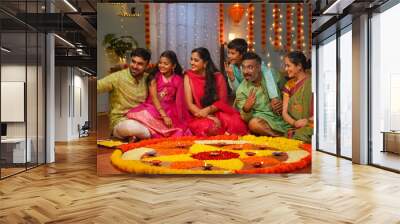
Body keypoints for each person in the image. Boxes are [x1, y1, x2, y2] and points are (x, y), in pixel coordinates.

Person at [126, 50, 192, 137]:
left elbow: (179, 101)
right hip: (154, 106)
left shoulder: (178, 80)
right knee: (146, 116)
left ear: (173, 66)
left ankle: (141, 136)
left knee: (177, 128)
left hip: (170, 109)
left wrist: (180, 117)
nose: (162, 66)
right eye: (160, 63)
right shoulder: (154, 77)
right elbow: (154, 98)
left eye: (166, 64)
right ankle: (138, 135)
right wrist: (164, 116)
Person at [184, 47, 248, 136]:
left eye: (196, 60)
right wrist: (206, 115)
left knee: (237, 124)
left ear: (205, 63)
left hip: (218, 112)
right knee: (209, 127)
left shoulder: (218, 77)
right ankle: (225, 135)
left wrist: (208, 110)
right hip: (198, 113)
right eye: (191, 59)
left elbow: (223, 101)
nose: (192, 63)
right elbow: (190, 104)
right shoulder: (188, 76)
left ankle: (226, 135)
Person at [97, 48, 152, 140]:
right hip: (122, 122)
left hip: (144, 120)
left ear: (147, 65)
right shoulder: (117, 77)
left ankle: (136, 137)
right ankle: (146, 135)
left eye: (140, 64)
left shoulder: (148, 79)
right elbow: (97, 86)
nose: (135, 66)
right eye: (133, 62)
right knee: (131, 127)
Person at [235, 52, 291, 137]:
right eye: (243, 67)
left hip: (282, 115)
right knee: (253, 124)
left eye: (250, 67)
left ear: (259, 67)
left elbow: (288, 89)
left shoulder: (271, 74)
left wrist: (283, 103)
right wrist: (246, 108)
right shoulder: (241, 90)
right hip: (263, 121)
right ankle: (282, 137)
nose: (246, 71)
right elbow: (246, 119)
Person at [225, 38, 284, 115]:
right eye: (228, 53)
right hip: (249, 96)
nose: (229, 56)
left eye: (232, 53)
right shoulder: (231, 68)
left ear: (242, 54)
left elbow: (269, 77)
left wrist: (273, 98)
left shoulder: (255, 63)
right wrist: (232, 77)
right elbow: (238, 91)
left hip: (268, 89)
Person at [282, 51, 313, 143]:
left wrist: (307, 121)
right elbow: (284, 112)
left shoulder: (313, 81)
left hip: (311, 122)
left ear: (299, 66)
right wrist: (294, 123)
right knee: (290, 134)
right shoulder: (288, 85)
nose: (286, 69)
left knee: (302, 134)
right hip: (293, 124)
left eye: (288, 65)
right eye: (285, 66)